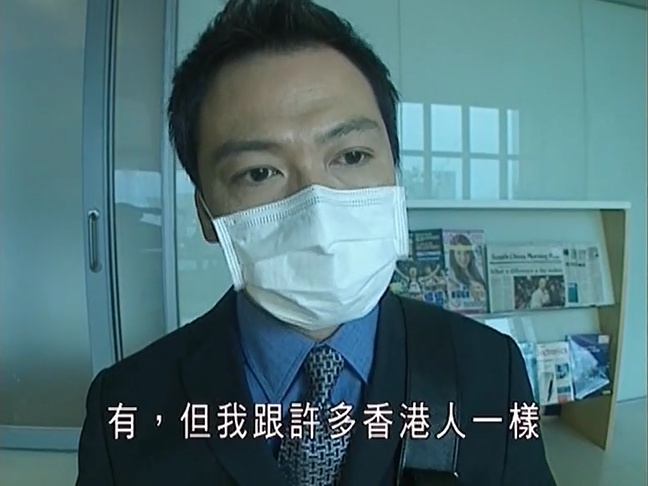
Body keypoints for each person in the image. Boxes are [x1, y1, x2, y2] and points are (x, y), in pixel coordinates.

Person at [76, 1, 556, 485]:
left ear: (394, 173)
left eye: (352, 156)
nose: (318, 210)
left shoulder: (490, 369)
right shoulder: (126, 406)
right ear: (207, 214)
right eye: (259, 172)